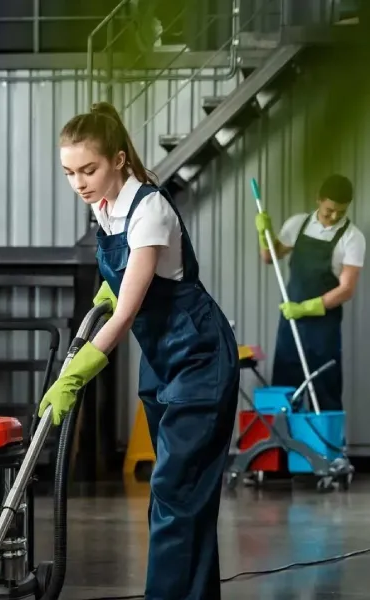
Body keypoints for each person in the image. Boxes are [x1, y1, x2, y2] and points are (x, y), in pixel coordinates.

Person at [38, 102, 239, 599]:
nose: (80, 182)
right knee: (179, 496)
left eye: (89, 169)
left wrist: (74, 373)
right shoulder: (104, 206)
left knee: (175, 493)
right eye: (69, 172)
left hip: (198, 356)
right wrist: (111, 286)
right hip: (161, 363)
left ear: (119, 160)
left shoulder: (149, 209)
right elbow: (127, 284)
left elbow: (126, 314)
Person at [255, 174, 365, 411]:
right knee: (286, 390)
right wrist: (264, 233)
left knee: (326, 389)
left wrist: (306, 307)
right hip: (291, 325)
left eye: (341, 212)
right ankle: (282, 448)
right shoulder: (298, 224)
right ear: (319, 200)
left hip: (323, 329)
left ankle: (327, 447)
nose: (334, 217)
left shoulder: (353, 238)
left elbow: (346, 289)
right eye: (329, 211)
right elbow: (269, 257)